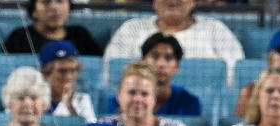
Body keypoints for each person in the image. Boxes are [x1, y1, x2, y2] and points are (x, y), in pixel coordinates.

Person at [103, 0, 244, 81]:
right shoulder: (131, 29)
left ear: (192, 2)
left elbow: (237, 73)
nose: (173, 0)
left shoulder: (215, 29)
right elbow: (109, 72)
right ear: (154, 2)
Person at [106, 33, 201, 117]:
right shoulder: (118, 101)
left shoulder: (189, 103)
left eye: (168, 58)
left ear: (177, 66)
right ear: (143, 61)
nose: (161, 64)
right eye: (155, 57)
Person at [2, 0, 102, 56]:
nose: (54, 7)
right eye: (46, 2)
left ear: (69, 7)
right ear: (34, 10)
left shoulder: (80, 35)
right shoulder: (20, 37)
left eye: (60, 1)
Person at [39, 41, 96, 122]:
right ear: (45, 73)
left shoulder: (82, 99)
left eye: (73, 70)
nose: (69, 77)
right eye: (62, 71)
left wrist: (70, 107)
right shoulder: (32, 98)